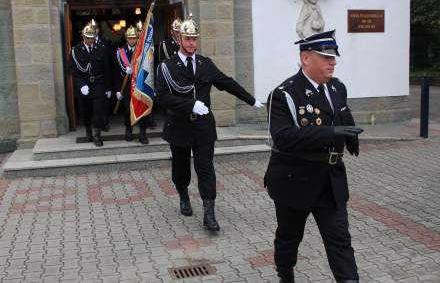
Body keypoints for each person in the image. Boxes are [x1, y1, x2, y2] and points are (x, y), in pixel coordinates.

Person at [264, 30, 363, 283]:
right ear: (306, 58)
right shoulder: (284, 93)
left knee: (340, 240)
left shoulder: (337, 87)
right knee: (289, 237)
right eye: (326, 56)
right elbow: (284, 136)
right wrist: (331, 133)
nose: (333, 61)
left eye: (333, 56)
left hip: (331, 180)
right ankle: (285, 274)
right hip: (295, 179)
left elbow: (342, 113)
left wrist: (350, 135)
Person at [155, 15, 264, 231]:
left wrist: (250, 99)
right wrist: (190, 105)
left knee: (205, 169)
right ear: (180, 40)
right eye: (187, 39)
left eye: (194, 39)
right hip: (179, 126)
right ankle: (184, 195)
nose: (191, 44)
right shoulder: (167, 67)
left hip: (203, 127)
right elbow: (162, 97)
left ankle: (209, 214)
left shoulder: (205, 64)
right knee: (181, 169)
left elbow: (226, 82)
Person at [70, 20, 111, 147]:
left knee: (98, 111)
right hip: (84, 85)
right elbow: (72, 69)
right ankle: (88, 131)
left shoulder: (101, 49)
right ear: (83, 37)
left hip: (98, 83)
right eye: (88, 38)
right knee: (85, 111)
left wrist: (108, 88)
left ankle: (97, 134)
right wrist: (81, 85)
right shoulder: (76, 50)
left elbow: (107, 69)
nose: (90, 41)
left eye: (92, 38)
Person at [114, 25, 149, 144]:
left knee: (141, 109)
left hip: (140, 85)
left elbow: (147, 67)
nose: (132, 40)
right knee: (127, 110)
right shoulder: (120, 52)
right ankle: (128, 130)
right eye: (130, 38)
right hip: (127, 86)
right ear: (126, 38)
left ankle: (143, 132)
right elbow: (116, 73)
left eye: (134, 38)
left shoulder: (142, 50)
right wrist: (118, 90)